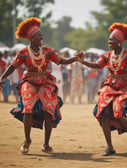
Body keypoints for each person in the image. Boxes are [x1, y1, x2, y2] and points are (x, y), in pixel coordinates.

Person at [76, 23, 127, 156]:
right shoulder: (107, 55)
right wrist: (82, 61)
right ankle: (109, 147)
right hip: (110, 85)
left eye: (112, 39)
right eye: (108, 39)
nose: (109, 41)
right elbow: (97, 65)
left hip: (125, 85)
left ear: (119, 41)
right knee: (104, 113)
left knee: (118, 111)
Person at [0, 17, 78, 154]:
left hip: (45, 82)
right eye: (39, 35)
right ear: (31, 38)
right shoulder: (23, 52)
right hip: (29, 81)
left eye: (41, 34)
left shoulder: (48, 51)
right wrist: (2, 77)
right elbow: (12, 66)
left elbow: (62, 61)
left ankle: (46, 144)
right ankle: (27, 140)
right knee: (28, 108)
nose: (42, 37)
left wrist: (75, 58)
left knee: (48, 111)